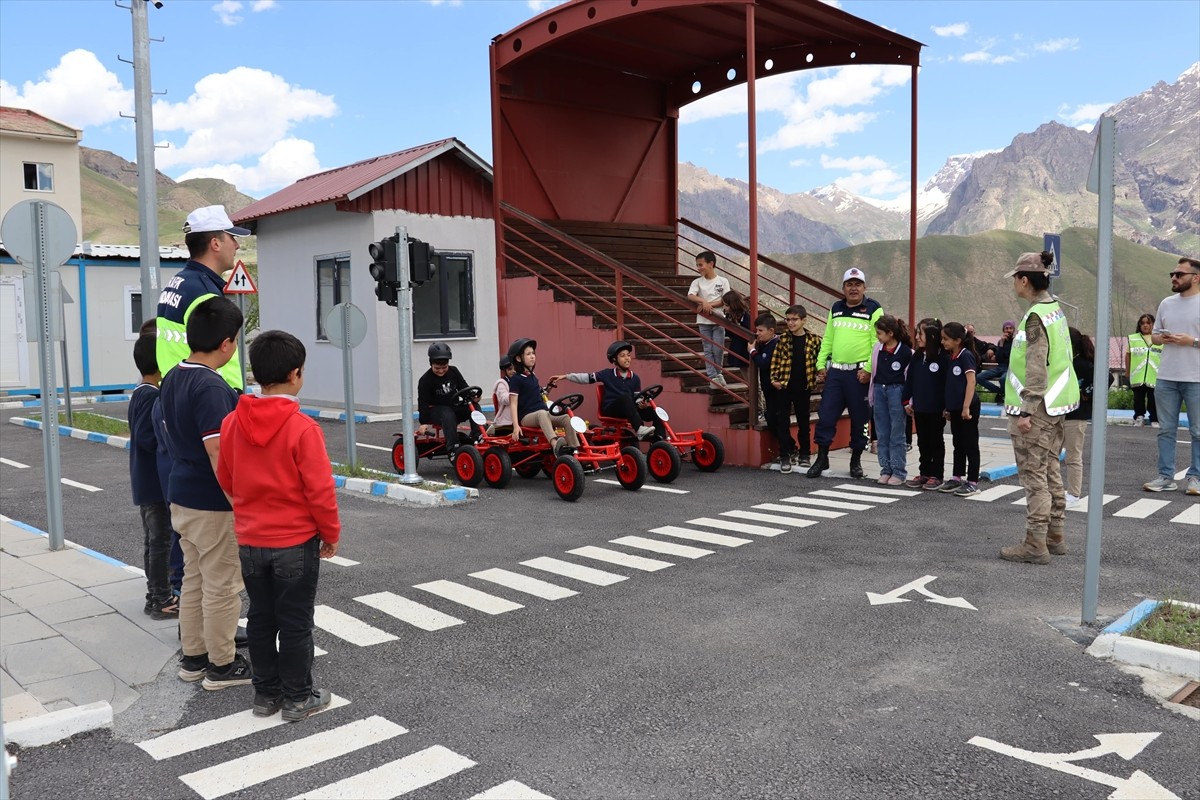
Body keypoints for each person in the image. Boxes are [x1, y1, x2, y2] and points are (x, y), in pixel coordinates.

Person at [217, 330, 340, 722]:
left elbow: (226, 477)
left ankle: (265, 696)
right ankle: (299, 697)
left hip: (251, 541)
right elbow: (319, 490)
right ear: (296, 373)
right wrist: (331, 534)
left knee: (260, 618)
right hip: (295, 542)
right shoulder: (303, 429)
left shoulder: (233, 422)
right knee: (296, 622)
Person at [159, 296, 251, 686]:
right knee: (223, 584)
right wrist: (239, 504)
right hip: (213, 502)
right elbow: (217, 452)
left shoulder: (174, 376)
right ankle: (222, 665)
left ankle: (193, 658)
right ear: (228, 344)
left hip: (181, 494)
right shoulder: (211, 387)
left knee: (195, 578)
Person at [1001, 252, 1079, 564]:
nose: (1014, 284)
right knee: (1050, 470)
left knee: (1033, 476)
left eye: (1015, 279)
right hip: (1057, 405)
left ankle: (1035, 543)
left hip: (1038, 408)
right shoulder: (1054, 311)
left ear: (1024, 280)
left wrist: (1026, 410)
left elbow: (1037, 368)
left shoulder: (1035, 318)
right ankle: (1055, 535)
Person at [157, 205, 249, 390]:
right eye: (232, 238)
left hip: (177, 390)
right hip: (210, 394)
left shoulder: (179, 282)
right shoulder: (205, 294)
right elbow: (217, 352)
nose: (237, 245)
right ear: (215, 244)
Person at [807, 267, 883, 479]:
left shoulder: (873, 308)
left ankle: (855, 460)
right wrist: (820, 364)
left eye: (857, 284)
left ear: (864, 287)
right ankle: (822, 459)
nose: (853, 288)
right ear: (843, 288)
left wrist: (868, 369)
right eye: (849, 284)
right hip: (836, 373)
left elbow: (876, 342)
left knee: (860, 419)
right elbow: (828, 338)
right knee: (826, 416)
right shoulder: (836, 308)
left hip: (859, 374)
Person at [128, 331, 177, 621]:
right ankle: (160, 598)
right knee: (160, 542)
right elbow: (148, 437)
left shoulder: (140, 393)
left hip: (146, 482)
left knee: (154, 542)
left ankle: (155, 594)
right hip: (155, 482)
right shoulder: (150, 396)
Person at [1143, 257, 1200, 495]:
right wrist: (1162, 338)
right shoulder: (1166, 303)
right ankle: (1166, 477)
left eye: (1179, 274)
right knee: (1166, 430)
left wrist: (1192, 341)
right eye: (1172, 274)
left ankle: (1195, 477)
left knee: (1198, 431)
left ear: (1195, 278)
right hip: (1166, 376)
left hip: (1196, 378)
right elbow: (1154, 336)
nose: (1174, 278)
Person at [550, 340, 663, 441]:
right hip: (611, 409)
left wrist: (641, 404)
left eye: (628, 355)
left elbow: (638, 398)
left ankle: (660, 442)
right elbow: (587, 377)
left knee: (656, 412)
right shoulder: (607, 374)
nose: (627, 358)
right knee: (625, 397)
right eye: (623, 356)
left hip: (629, 409)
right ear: (614, 359)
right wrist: (566, 376)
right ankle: (639, 429)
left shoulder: (635, 378)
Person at [769, 305, 822, 469]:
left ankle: (805, 454)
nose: (791, 323)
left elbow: (821, 359)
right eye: (788, 319)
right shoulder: (783, 339)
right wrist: (774, 379)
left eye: (794, 319)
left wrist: (820, 373)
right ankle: (785, 455)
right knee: (782, 422)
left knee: (803, 422)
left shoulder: (813, 340)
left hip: (803, 388)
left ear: (803, 320)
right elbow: (775, 361)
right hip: (784, 387)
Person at [506, 338, 580, 455]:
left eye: (533, 353)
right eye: (528, 354)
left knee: (566, 418)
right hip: (526, 417)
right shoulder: (516, 379)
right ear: (518, 358)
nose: (532, 356)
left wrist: (548, 388)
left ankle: (575, 450)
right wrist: (516, 426)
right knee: (542, 413)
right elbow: (513, 403)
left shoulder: (532, 376)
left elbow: (539, 395)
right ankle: (555, 444)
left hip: (542, 415)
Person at [937, 322, 980, 496]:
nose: (943, 342)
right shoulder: (951, 357)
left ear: (957, 340)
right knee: (958, 443)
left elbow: (971, 382)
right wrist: (948, 407)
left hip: (967, 408)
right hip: (954, 408)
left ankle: (972, 481)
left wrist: (965, 407)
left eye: (946, 339)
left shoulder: (965, 356)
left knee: (970, 444)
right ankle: (956, 477)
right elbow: (951, 385)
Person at [904, 318, 947, 490]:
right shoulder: (917, 356)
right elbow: (910, 381)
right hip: (919, 407)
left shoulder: (943, 357)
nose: (917, 336)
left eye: (920, 333)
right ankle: (924, 472)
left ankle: (937, 474)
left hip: (936, 408)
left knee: (935, 441)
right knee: (922, 440)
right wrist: (907, 401)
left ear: (932, 336)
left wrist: (947, 405)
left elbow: (947, 384)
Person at [417, 342, 481, 455]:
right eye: (437, 368)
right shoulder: (425, 380)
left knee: (474, 407)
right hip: (436, 411)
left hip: (454, 407)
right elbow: (423, 403)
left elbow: (464, 387)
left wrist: (473, 396)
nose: (441, 371)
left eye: (444, 367)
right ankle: (453, 448)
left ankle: (478, 437)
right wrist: (424, 422)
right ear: (430, 363)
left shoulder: (454, 371)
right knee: (447, 412)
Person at [869, 315, 912, 486]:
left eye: (880, 333)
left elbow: (909, 378)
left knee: (897, 434)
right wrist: (872, 394)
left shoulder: (905, 352)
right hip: (880, 389)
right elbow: (874, 373)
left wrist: (908, 400)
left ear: (891, 333)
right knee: (882, 433)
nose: (877, 337)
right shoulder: (877, 348)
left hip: (897, 391)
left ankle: (899, 471)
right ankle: (885, 469)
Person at [750, 313, 789, 472]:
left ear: (771, 331)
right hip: (768, 390)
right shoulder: (765, 344)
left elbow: (764, 363)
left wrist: (752, 351)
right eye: (757, 330)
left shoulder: (776, 344)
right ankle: (790, 447)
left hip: (778, 390)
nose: (757, 333)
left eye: (760, 330)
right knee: (771, 419)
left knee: (780, 422)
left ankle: (786, 455)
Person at [1063, 327, 1096, 508]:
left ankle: (1074, 494)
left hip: (1077, 415)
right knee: (1051, 452)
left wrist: (1087, 392)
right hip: (1061, 414)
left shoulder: (1083, 363)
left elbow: (1107, 378)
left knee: (1073, 456)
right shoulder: (1067, 361)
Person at [687, 251, 730, 387]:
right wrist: (702, 301)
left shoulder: (723, 281)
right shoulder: (697, 282)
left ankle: (718, 374)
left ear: (711, 264)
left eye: (701, 265)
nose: (699, 268)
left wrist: (707, 304)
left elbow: (725, 299)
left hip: (719, 320)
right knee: (708, 349)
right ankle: (713, 377)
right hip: (703, 320)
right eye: (697, 265)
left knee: (718, 349)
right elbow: (691, 295)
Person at [1127, 313, 1160, 427]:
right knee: (1138, 399)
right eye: (1143, 323)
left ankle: (1154, 419)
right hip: (1138, 375)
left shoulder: (1159, 339)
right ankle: (1139, 417)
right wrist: (1127, 372)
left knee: (1153, 399)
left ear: (1153, 325)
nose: (1145, 325)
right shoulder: (1133, 338)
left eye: (1148, 323)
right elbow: (1128, 355)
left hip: (1154, 376)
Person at [977, 320, 1015, 400]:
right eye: (1006, 328)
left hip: (1010, 368)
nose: (1008, 330)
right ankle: (1000, 392)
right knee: (979, 377)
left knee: (1002, 379)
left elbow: (1010, 357)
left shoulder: (1016, 342)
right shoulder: (1001, 342)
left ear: (1013, 330)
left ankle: (1001, 394)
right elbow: (998, 359)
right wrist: (1001, 344)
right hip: (999, 367)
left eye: (1010, 328)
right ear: (1003, 330)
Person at [723, 289, 753, 381]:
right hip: (738, 346)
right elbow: (729, 333)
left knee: (750, 370)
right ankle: (751, 389)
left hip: (746, 347)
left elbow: (749, 330)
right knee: (743, 368)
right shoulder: (729, 316)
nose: (724, 308)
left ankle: (756, 391)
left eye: (727, 305)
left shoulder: (746, 316)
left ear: (734, 305)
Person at [487, 356, 517, 436]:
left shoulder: (521, 380)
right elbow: (504, 399)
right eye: (510, 369)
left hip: (521, 415)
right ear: (505, 371)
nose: (513, 371)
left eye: (515, 369)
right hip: (506, 421)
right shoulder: (501, 383)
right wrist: (518, 394)